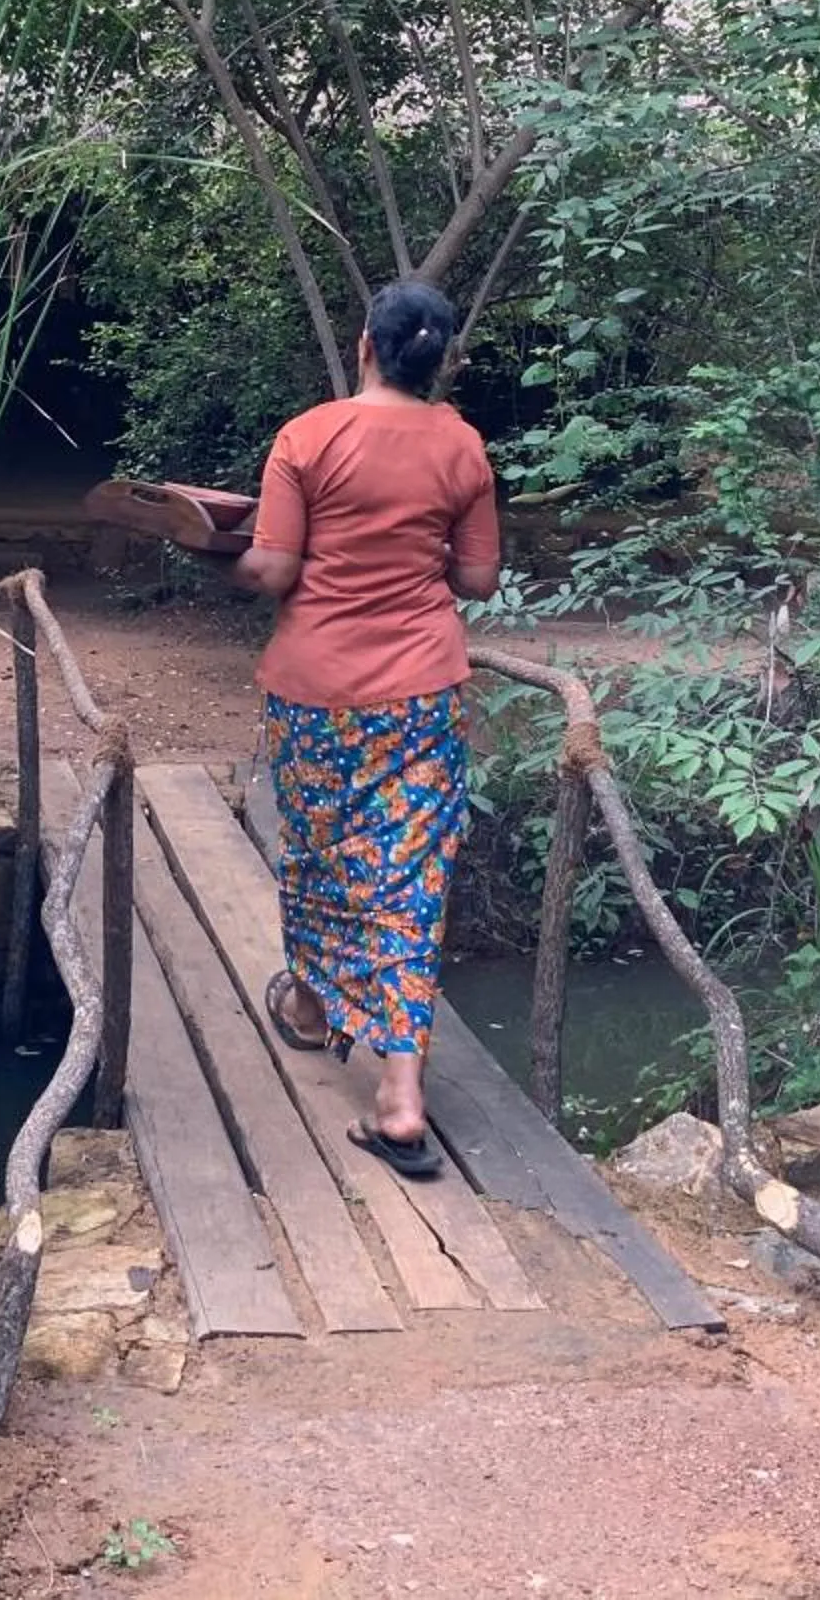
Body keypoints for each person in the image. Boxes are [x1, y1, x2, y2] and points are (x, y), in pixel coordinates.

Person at [230, 281, 500, 1180]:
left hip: (318, 690)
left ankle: (312, 1010)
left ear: (365, 347)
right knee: (410, 878)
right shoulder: (462, 445)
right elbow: (478, 581)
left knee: (320, 854)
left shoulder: (307, 438)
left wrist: (212, 552)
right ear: (438, 361)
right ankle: (399, 1094)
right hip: (421, 693)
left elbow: (273, 569)